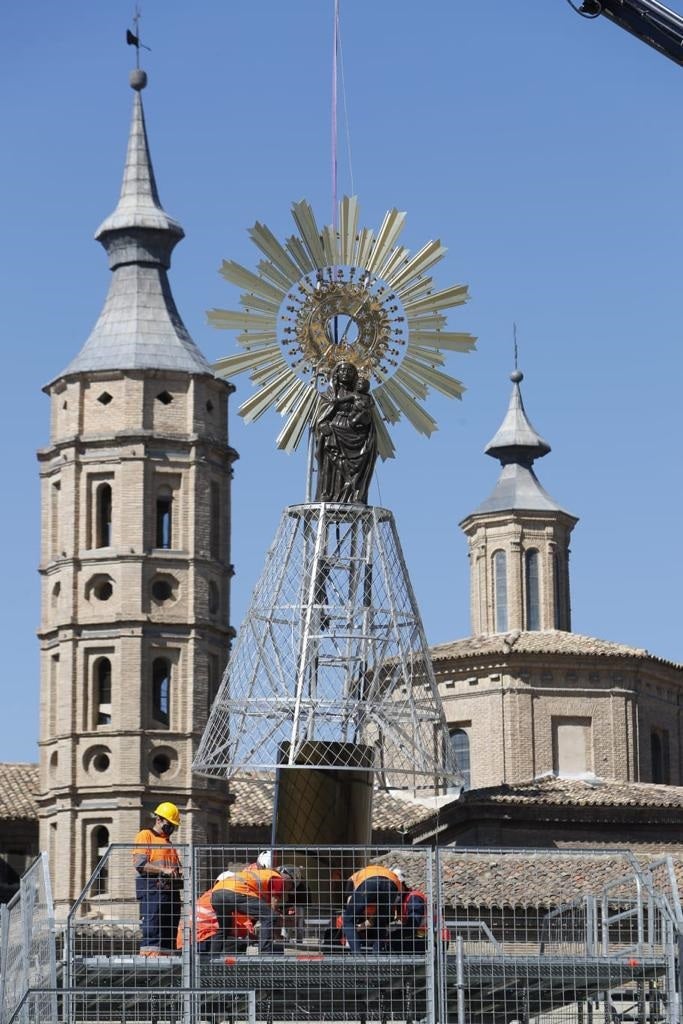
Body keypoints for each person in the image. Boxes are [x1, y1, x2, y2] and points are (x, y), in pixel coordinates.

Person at [315, 361, 378, 504]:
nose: (345, 373)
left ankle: (355, 494)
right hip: (335, 430)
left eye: (349, 371)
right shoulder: (329, 394)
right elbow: (322, 414)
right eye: (342, 370)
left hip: (357, 434)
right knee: (331, 460)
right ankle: (328, 493)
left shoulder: (362, 395)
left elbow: (367, 413)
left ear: (355, 375)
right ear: (336, 373)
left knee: (364, 455)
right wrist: (323, 424)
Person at [133, 801, 182, 956]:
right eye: (169, 824)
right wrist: (163, 870)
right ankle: (150, 959)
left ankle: (168, 958)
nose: (171, 828)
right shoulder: (145, 835)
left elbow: (175, 869)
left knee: (170, 928)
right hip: (152, 890)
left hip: (170, 893)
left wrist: (178, 874)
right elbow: (140, 863)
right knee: (153, 927)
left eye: (174, 825)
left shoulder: (169, 844)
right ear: (159, 820)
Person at [209, 864, 293, 953]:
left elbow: (257, 912)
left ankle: (212, 959)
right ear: (287, 878)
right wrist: (278, 933)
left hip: (216, 894)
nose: (287, 890)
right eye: (291, 885)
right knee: (270, 916)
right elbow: (272, 909)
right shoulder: (278, 878)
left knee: (224, 929)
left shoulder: (263, 875)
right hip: (236, 892)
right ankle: (266, 954)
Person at [342, 863, 403, 952]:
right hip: (393, 884)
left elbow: (349, 898)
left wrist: (349, 910)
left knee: (348, 920)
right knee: (380, 923)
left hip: (371, 882)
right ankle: (377, 956)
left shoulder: (354, 877)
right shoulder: (382, 871)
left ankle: (357, 957)